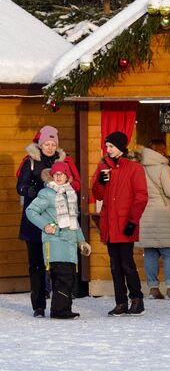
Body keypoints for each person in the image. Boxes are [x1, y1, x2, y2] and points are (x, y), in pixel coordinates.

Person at [16, 125, 81, 318]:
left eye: (53, 144)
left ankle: (59, 303)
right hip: (35, 224)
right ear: (41, 144)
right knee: (36, 264)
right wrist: (29, 190)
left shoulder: (63, 162)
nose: (50, 147)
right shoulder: (31, 162)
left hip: (58, 224)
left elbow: (75, 184)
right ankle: (38, 305)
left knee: (57, 264)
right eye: (47, 143)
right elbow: (20, 186)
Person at [91, 131, 149, 316]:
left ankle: (137, 299)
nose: (107, 149)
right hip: (109, 224)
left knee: (127, 263)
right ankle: (120, 302)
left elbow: (141, 196)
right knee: (115, 265)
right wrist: (100, 182)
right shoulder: (103, 167)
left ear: (120, 147)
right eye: (106, 146)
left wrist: (133, 221)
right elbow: (98, 194)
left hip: (125, 224)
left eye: (111, 146)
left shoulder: (134, 168)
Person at [25, 162, 91, 319]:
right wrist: (45, 225)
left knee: (68, 277)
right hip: (55, 242)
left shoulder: (70, 194)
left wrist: (81, 242)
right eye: (55, 174)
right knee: (63, 276)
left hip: (69, 243)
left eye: (61, 174)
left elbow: (74, 222)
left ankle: (62, 308)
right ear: (52, 176)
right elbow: (31, 211)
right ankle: (60, 311)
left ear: (67, 176)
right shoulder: (46, 193)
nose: (58, 176)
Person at [138, 143, 170, 300]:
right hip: (163, 212)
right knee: (169, 251)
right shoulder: (163, 168)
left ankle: (153, 288)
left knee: (150, 252)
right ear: (161, 151)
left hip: (145, 212)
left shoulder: (140, 166)